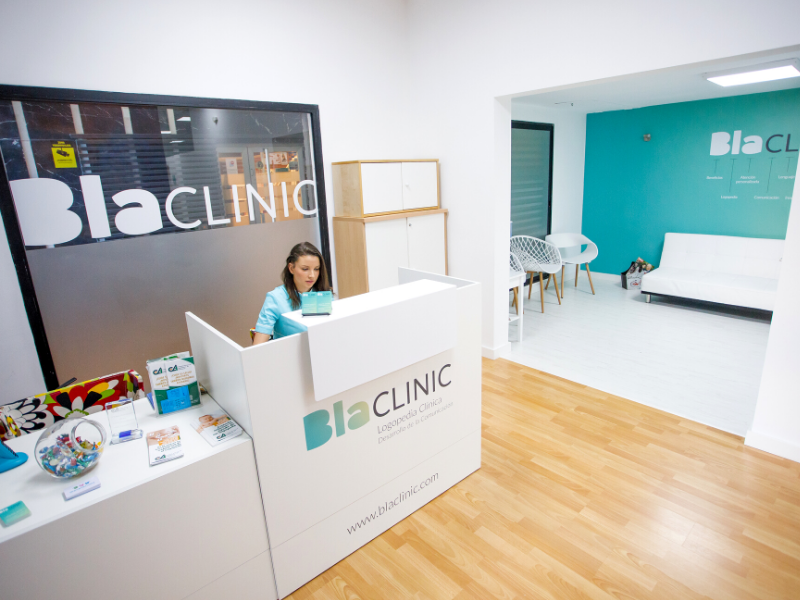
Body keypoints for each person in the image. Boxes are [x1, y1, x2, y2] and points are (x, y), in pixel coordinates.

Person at [252, 242, 332, 345]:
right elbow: (258, 345)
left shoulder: (324, 294)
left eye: (316, 269)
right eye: (305, 269)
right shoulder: (276, 298)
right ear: (291, 268)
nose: (312, 275)